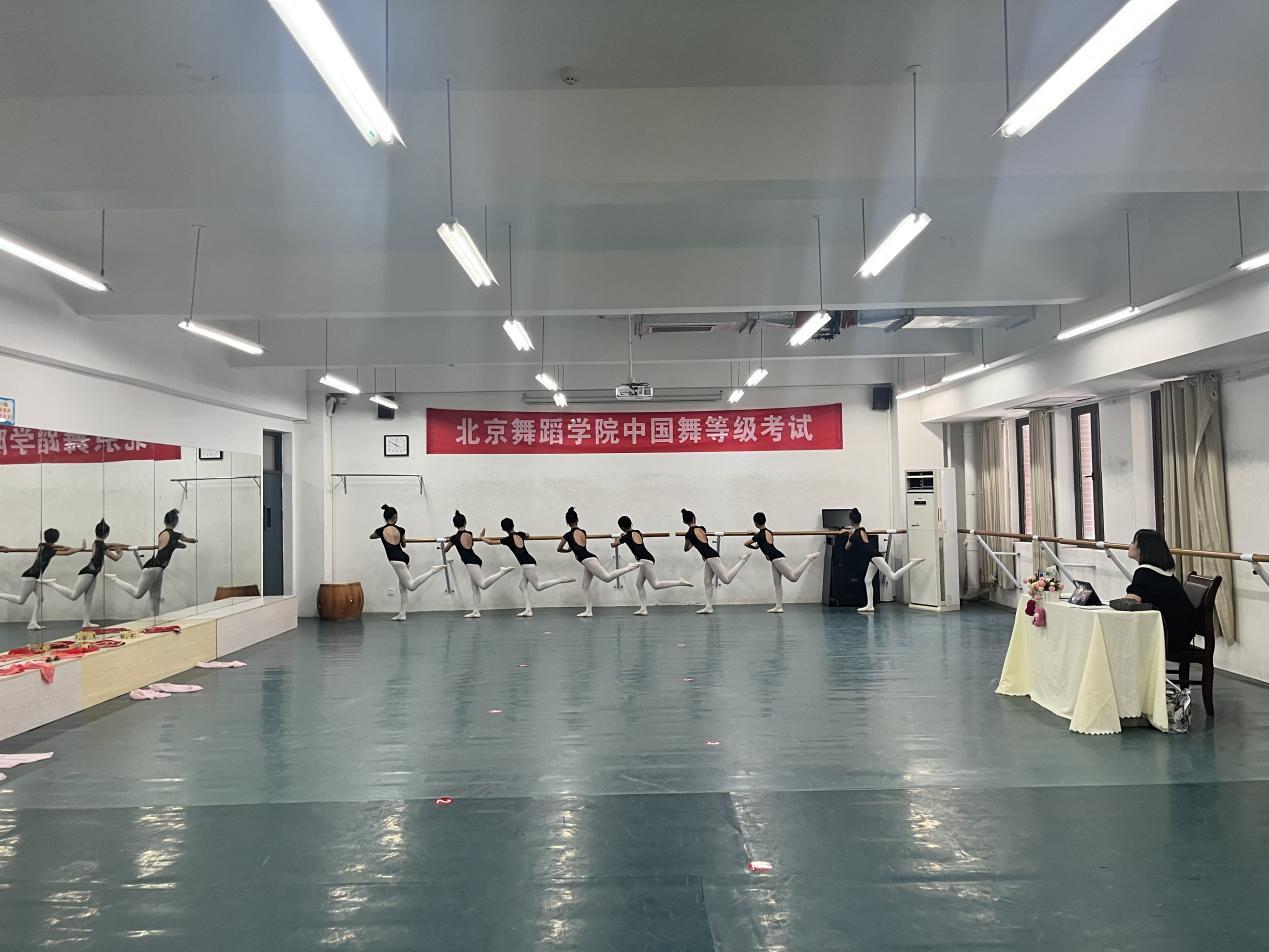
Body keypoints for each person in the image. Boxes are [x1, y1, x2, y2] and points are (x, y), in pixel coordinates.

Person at [109, 508, 197, 619]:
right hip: (154, 567)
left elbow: (175, 546)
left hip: (157, 568)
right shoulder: (176, 535)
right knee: (137, 594)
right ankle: (115, 579)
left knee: (155, 597)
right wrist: (195, 540)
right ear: (176, 522)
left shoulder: (162, 534)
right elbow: (189, 541)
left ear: (165, 521)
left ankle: (155, 620)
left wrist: (177, 544)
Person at [1123, 528, 1198, 656]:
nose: (1130, 545)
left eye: (1133, 542)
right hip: (1182, 634)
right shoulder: (1163, 573)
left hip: (1169, 637)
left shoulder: (1144, 572)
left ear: (1142, 549)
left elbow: (1130, 602)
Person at [480, 518, 574, 618]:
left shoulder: (507, 540)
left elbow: (490, 542)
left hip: (527, 564)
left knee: (538, 586)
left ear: (503, 529)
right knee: (522, 585)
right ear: (513, 525)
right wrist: (526, 535)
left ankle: (561, 579)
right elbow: (527, 534)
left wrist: (481, 537)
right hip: (528, 562)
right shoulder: (521, 534)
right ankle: (528, 610)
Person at [557, 507, 641, 618]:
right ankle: (588, 611)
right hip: (589, 558)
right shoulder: (583, 532)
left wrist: (568, 550)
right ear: (577, 520)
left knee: (607, 578)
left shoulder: (566, 536)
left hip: (587, 559)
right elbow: (581, 546)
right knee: (585, 585)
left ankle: (629, 567)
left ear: (567, 522)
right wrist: (574, 549)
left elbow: (559, 549)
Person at [44, 519, 125, 629]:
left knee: (88, 598)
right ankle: (51, 584)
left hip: (92, 573)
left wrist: (115, 545)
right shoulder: (102, 546)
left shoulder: (96, 543)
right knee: (73, 596)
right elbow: (115, 558)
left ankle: (86, 622)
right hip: (88, 572)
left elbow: (108, 545)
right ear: (107, 534)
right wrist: (120, 553)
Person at [371, 504, 445, 621]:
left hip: (396, 560)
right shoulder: (401, 530)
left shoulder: (380, 531)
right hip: (405, 558)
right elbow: (404, 544)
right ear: (395, 517)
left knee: (411, 586)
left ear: (385, 517)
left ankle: (432, 571)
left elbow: (371, 537)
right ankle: (402, 614)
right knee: (402, 587)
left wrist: (382, 535)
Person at [0, 528, 84, 631]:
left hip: (34, 576)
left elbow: (56, 546)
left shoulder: (41, 545)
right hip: (30, 576)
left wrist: (64, 547)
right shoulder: (50, 551)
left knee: (40, 599)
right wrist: (80, 548)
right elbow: (68, 553)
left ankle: (33, 623)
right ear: (56, 539)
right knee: (20, 600)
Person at [843, 508, 923, 613]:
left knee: (893, 577)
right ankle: (870, 606)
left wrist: (849, 536)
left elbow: (846, 547)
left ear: (851, 521)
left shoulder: (853, 536)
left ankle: (913, 563)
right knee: (867, 580)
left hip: (874, 557)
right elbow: (860, 536)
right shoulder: (863, 530)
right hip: (873, 556)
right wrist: (851, 532)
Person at [612, 516, 692, 616]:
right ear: (630, 523)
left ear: (622, 527)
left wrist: (618, 537)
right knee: (639, 584)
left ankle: (680, 582)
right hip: (646, 558)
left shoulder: (625, 537)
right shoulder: (638, 532)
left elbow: (613, 545)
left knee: (655, 585)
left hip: (644, 560)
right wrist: (623, 536)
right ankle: (643, 609)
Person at [442, 510, 514, 619]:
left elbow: (445, 550)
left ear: (454, 524)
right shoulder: (469, 534)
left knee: (483, 585)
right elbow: (470, 544)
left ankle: (502, 572)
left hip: (470, 562)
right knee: (475, 588)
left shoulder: (454, 538)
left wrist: (446, 541)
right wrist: (451, 539)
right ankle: (476, 611)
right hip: (475, 559)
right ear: (465, 522)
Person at [744, 512, 820, 613]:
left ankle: (809, 559)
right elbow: (763, 543)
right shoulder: (769, 532)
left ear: (755, 523)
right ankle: (778, 606)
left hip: (777, 558)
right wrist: (755, 534)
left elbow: (746, 543)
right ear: (764, 521)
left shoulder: (758, 536)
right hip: (775, 558)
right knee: (777, 583)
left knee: (793, 577)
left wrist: (754, 545)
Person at [681, 508, 750, 615]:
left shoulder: (688, 534)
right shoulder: (702, 528)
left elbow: (686, 549)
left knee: (726, 580)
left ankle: (742, 560)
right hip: (709, 555)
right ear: (694, 518)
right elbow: (704, 542)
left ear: (684, 521)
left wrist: (691, 542)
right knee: (707, 581)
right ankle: (709, 607)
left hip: (711, 556)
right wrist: (702, 552)